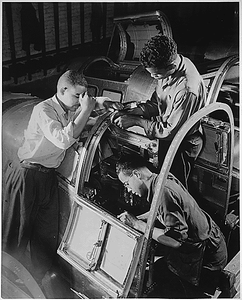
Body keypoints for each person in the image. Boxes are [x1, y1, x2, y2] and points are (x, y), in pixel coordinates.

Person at [2, 70, 122, 285]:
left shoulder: (68, 109)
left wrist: (100, 106)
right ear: (63, 90)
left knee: (46, 232)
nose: (80, 101)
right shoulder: (44, 109)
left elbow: (80, 123)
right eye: (77, 96)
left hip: (47, 177)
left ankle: (36, 280)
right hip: (26, 175)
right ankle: (7, 283)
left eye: (83, 96)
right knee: (16, 234)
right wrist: (86, 109)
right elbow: (63, 140)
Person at [116, 153, 236, 298]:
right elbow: (159, 210)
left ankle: (220, 282)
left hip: (207, 257)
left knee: (172, 287)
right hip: (203, 242)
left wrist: (138, 224)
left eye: (126, 184)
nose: (128, 189)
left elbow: (175, 241)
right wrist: (137, 219)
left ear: (136, 174)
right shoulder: (160, 179)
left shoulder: (164, 192)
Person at [113, 35, 206, 188]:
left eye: (156, 75)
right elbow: (158, 102)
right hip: (169, 137)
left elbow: (169, 131)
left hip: (182, 142)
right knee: (163, 178)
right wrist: (138, 110)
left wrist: (136, 121)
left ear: (171, 67)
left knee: (174, 186)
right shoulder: (171, 64)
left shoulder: (187, 89)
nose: (152, 77)